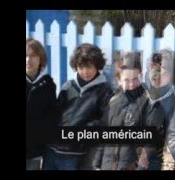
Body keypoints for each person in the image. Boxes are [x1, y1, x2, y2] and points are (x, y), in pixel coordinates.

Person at [42, 43, 114, 170]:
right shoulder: (68, 86)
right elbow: (56, 113)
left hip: (76, 153)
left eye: (90, 67)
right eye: (81, 67)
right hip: (52, 150)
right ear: (76, 66)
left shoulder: (105, 92)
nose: (85, 72)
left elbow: (104, 122)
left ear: (97, 66)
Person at [93, 52, 149, 170]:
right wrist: (97, 163)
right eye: (126, 80)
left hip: (130, 164)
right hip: (108, 164)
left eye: (135, 79)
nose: (131, 84)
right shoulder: (113, 101)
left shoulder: (146, 100)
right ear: (118, 79)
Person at [138, 49, 175, 170]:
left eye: (163, 71)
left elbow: (173, 138)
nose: (157, 74)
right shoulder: (140, 92)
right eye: (154, 68)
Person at [26, 38, 57, 170]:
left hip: (35, 151)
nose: (28, 60)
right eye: (25, 56)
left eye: (33, 56)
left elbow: (51, 115)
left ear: (41, 59)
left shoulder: (48, 84)